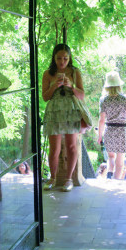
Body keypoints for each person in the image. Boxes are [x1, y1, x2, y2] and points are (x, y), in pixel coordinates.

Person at [42, 44, 86, 192]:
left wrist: (71, 85)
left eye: (65, 58)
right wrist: (54, 85)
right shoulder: (48, 73)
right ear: (54, 58)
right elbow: (45, 97)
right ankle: (52, 178)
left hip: (71, 111)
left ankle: (69, 180)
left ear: (70, 58)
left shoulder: (74, 72)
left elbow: (82, 95)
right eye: (59, 58)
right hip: (54, 112)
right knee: (54, 148)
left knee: (71, 146)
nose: (62, 62)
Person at [97, 72, 126, 179]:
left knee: (111, 157)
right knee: (120, 161)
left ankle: (109, 176)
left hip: (109, 130)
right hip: (122, 131)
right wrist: (122, 117)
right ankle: (116, 181)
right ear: (119, 85)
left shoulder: (103, 99)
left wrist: (100, 135)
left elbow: (101, 120)